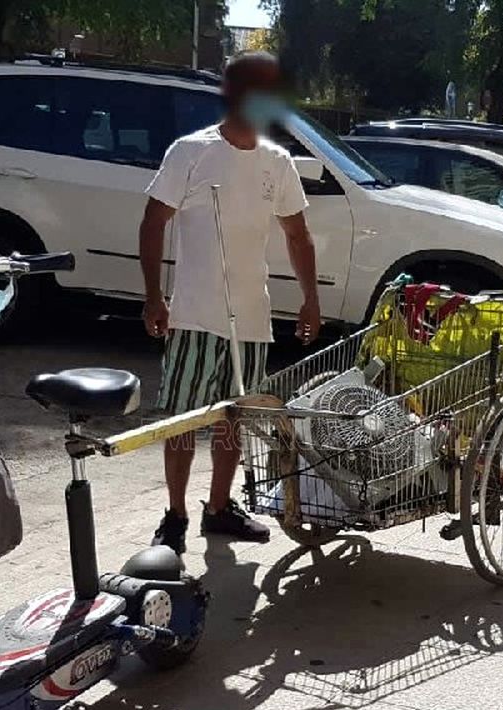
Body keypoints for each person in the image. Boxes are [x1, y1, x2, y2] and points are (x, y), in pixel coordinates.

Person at [137, 51, 321, 555]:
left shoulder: (276, 162)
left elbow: (297, 235)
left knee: (233, 421)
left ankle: (218, 509)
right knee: (182, 422)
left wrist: (310, 300)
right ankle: (174, 515)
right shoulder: (190, 152)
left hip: (252, 319)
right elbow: (154, 222)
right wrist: (154, 296)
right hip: (195, 314)